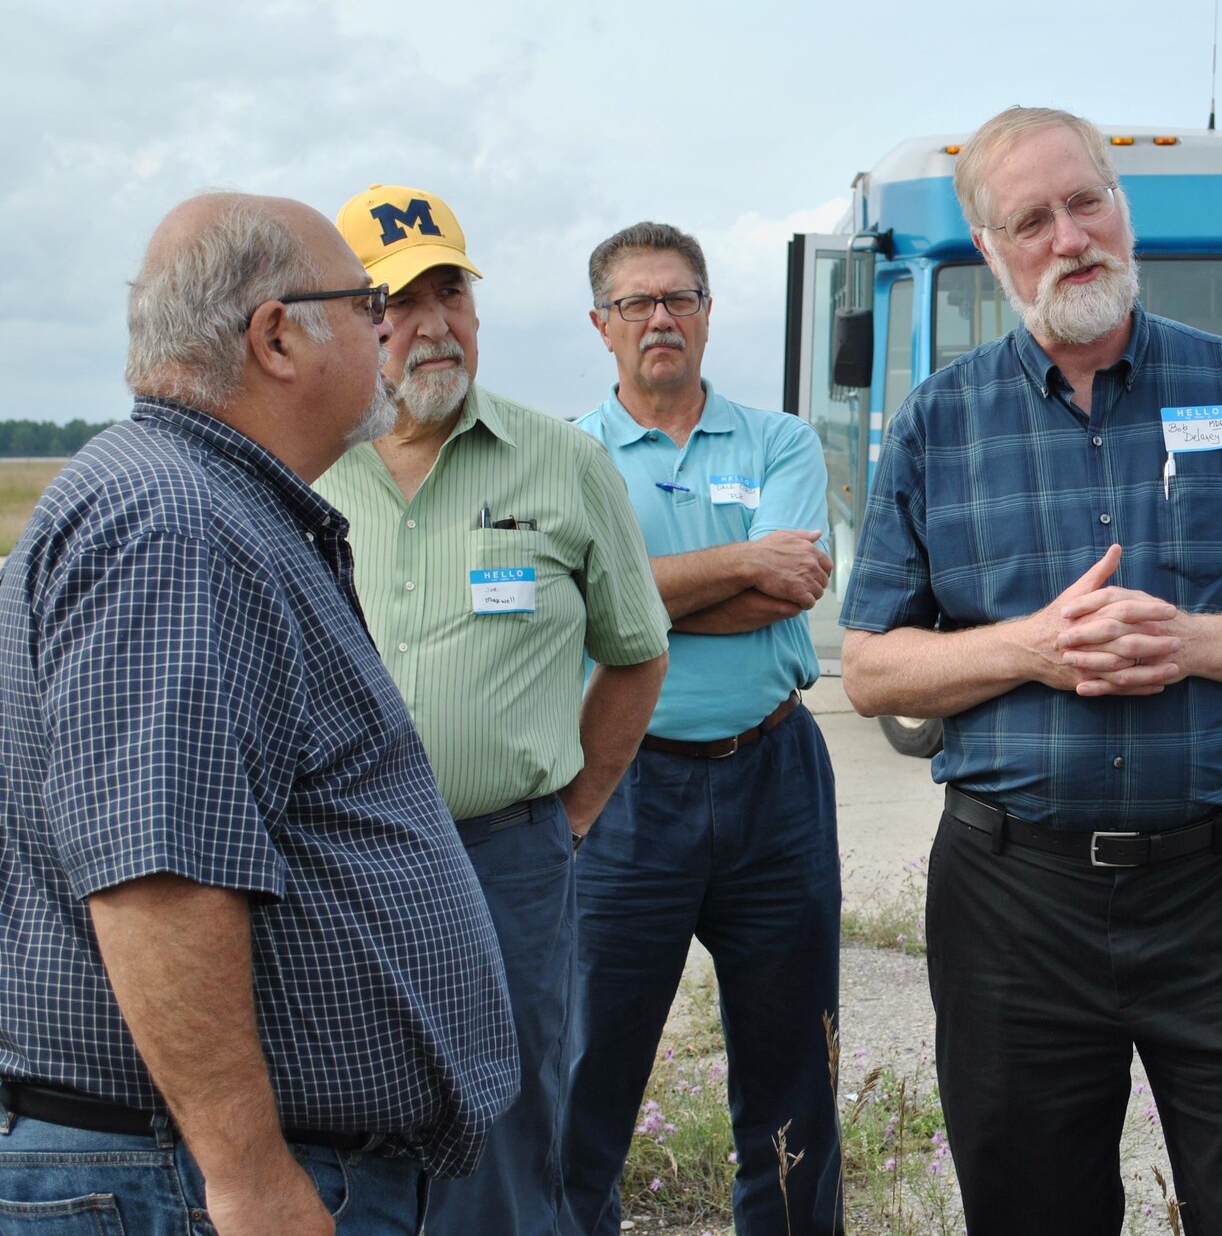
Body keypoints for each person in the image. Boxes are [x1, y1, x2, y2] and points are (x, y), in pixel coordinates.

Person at [839, 105, 1222, 1236]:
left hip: (1214, 891)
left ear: (1122, 211)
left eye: (1085, 201)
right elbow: (873, 668)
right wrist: (1034, 645)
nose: (1069, 236)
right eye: (1030, 219)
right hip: (1011, 904)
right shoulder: (939, 422)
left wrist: (1191, 641)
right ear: (991, 251)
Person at [0, 193, 518, 1235]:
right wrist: (249, 1178)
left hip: (180, 1167)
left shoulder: (204, 500)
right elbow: (159, 877)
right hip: (184, 1182)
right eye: (367, 301)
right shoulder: (175, 519)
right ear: (277, 335)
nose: (389, 328)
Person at [316, 185, 670, 1236]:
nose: (431, 323)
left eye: (449, 291)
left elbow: (636, 652)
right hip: (342, 864)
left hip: (508, 858)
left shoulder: (559, 460)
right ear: (345, 324)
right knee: (350, 1123)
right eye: (396, 302)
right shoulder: (302, 474)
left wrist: (570, 815)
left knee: (508, 1131)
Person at [564, 222, 842, 1236]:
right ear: (603, 325)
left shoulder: (780, 442)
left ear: (709, 313)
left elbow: (790, 590)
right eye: (637, 303)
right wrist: (737, 562)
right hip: (622, 786)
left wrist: (628, 593)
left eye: (678, 298)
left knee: (792, 1079)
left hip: (774, 777)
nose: (660, 318)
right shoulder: (567, 456)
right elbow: (583, 608)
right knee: (588, 1070)